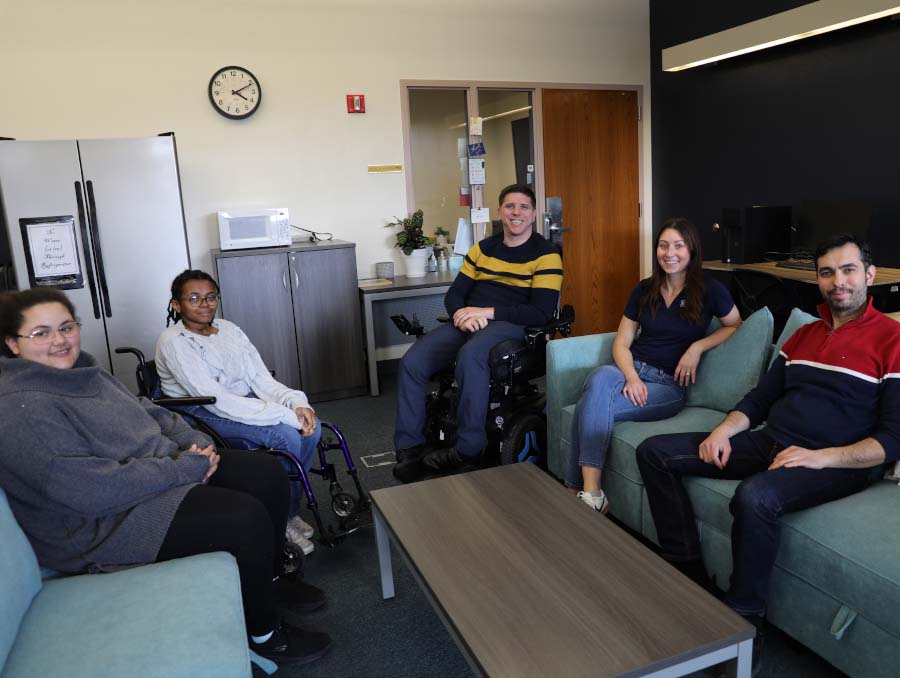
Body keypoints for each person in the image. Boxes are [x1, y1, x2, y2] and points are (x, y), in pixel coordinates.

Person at [0, 288, 331, 664]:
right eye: (41, 333)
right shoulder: (18, 407)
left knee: (265, 473)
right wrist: (183, 468)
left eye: (66, 327)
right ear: (12, 343)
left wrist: (192, 441)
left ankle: (269, 580)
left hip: (154, 475)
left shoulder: (83, 373)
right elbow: (90, 490)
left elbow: (150, 412)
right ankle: (265, 634)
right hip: (98, 524)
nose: (59, 340)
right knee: (243, 519)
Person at [635, 234, 900, 670]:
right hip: (771, 440)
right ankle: (687, 570)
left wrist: (822, 457)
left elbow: (893, 439)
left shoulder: (892, 340)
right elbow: (759, 400)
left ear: (869, 276)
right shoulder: (804, 337)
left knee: (756, 497)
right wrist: (722, 431)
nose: (839, 282)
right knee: (654, 452)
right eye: (827, 272)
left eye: (849, 270)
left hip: (841, 461)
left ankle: (744, 620)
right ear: (817, 280)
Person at [566, 218, 741, 513]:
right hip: (632, 371)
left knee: (589, 405)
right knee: (598, 379)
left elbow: (735, 325)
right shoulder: (644, 289)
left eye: (678, 246)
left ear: (691, 250)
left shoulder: (710, 288)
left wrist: (697, 347)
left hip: (667, 386)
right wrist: (632, 377)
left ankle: (578, 490)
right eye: (663, 245)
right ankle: (592, 494)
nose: (669, 253)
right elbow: (621, 343)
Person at [393, 184, 563, 481]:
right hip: (469, 320)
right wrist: (460, 314)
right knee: (413, 362)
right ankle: (410, 447)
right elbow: (455, 293)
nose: (516, 213)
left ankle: (469, 449)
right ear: (500, 211)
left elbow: (541, 312)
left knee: (472, 355)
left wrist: (486, 312)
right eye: (510, 206)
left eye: (524, 207)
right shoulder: (483, 248)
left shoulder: (546, 254)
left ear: (533, 213)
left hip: (511, 323)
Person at [156, 270, 320, 555]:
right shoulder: (174, 341)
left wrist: (295, 402)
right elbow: (217, 400)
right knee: (286, 439)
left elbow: (260, 379)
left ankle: (289, 511)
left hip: (240, 399)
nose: (204, 304)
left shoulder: (229, 328)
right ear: (176, 305)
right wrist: (280, 415)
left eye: (210, 297)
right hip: (199, 408)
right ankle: (278, 519)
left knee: (312, 428)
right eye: (193, 298)